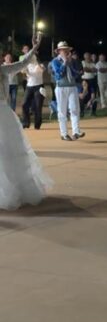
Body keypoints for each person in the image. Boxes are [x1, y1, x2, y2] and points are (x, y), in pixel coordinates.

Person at [0, 34, 53, 209]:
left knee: (7, 150)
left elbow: (23, 63)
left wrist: (35, 48)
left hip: (3, 114)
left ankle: (10, 190)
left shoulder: (4, 70)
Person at [50, 41, 85, 141]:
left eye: (67, 50)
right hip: (61, 87)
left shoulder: (71, 61)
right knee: (62, 111)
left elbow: (73, 73)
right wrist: (65, 63)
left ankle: (76, 131)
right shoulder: (55, 61)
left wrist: (79, 73)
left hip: (72, 87)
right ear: (59, 51)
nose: (66, 51)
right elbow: (58, 74)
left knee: (75, 109)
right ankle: (64, 133)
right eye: (64, 50)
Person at [21, 50, 45, 130]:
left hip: (39, 87)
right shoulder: (27, 65)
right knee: (24, 104)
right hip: (29, 87)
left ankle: (37, 124)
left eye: (31, 57)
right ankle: (26, 123)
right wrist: (24, 70)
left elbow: (40, 71)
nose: (30, 59)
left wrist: (27, 72)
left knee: (38, 106)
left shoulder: (39, 65)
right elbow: (22, 71)